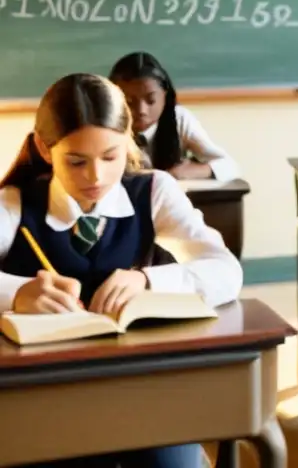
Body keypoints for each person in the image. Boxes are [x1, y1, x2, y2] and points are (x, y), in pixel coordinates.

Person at [0, 73, 242, 467]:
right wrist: (18, 293)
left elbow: (226, 271)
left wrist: (147, 279)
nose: (95, 177)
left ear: (128, 138)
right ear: (45, 149)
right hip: (42, 391)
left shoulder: (154, 190)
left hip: (140, 383)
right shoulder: (15, 204)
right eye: (76, 161)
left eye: (110, 157)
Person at [109, 51, 240, 181]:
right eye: (129, 102)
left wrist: (194, 171)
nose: (142, 110)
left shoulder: (179, 119)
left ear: (165, 95)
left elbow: (230, 166)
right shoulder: (104, 123)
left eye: (151, 100)